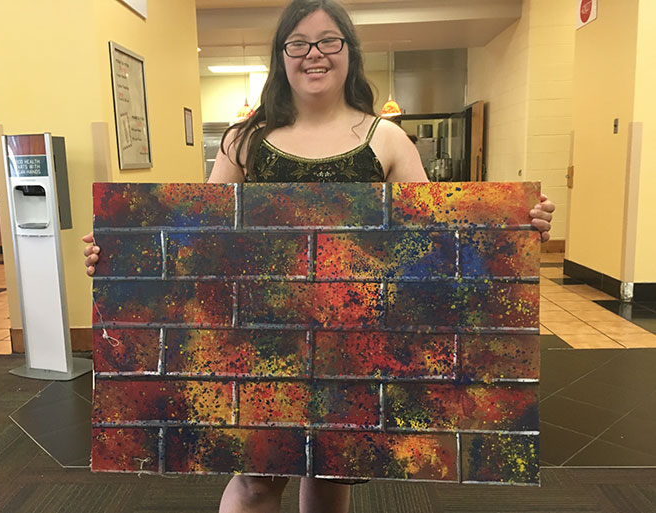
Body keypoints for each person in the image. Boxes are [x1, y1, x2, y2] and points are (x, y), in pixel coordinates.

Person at [83, 1, 555, 511]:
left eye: (330, 41)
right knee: (256, 480)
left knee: (330, 475)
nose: (315, 54)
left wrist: (513, 232)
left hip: (352, 343)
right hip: (262, 342)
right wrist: (120, 254)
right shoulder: (246, 140)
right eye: (299, 43)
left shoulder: (386, 139)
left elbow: (436, 242)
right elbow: (202, 240)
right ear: (281, 56)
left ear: (349, 52)